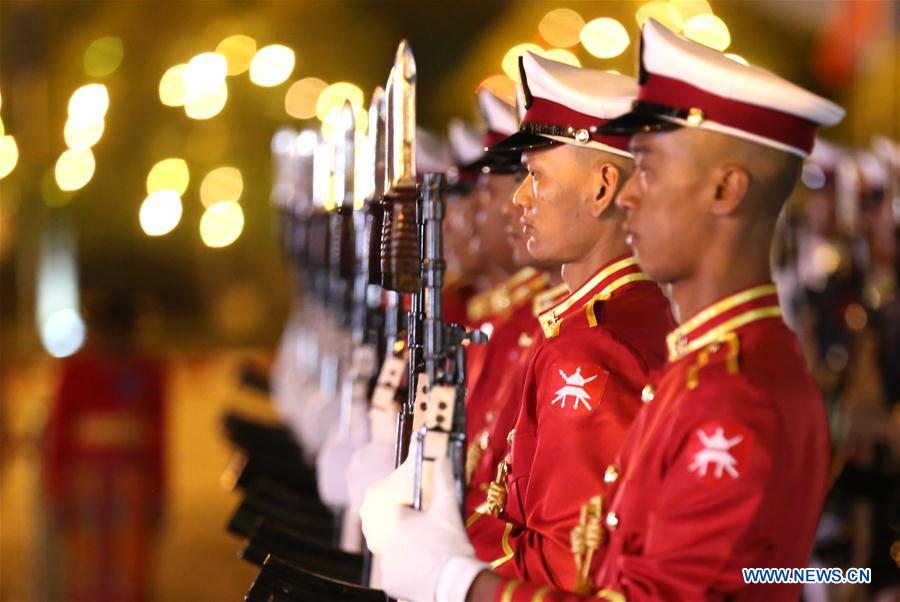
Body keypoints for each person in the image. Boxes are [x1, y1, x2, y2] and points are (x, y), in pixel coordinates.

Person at [360, 19, 846, 602]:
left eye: (654, 170)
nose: (631, 193)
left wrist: (458, 579)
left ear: (726, 191)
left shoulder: (731, 392)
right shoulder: (710, 365)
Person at [361, 51, 675, 599]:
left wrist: (446, 555)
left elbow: (563, 566)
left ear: (602, 188)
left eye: (534, 175)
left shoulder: (591, 348)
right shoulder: (602, 320)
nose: (517, 199)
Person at [43, 294, 166, 602]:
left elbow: (159, 437)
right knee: (87, 569)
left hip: (131, 483)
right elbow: (59, 433)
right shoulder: (75, 371)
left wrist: (160, 490)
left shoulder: (147, 370)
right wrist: (56, 487)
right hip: (86, 483)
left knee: (131, 567)